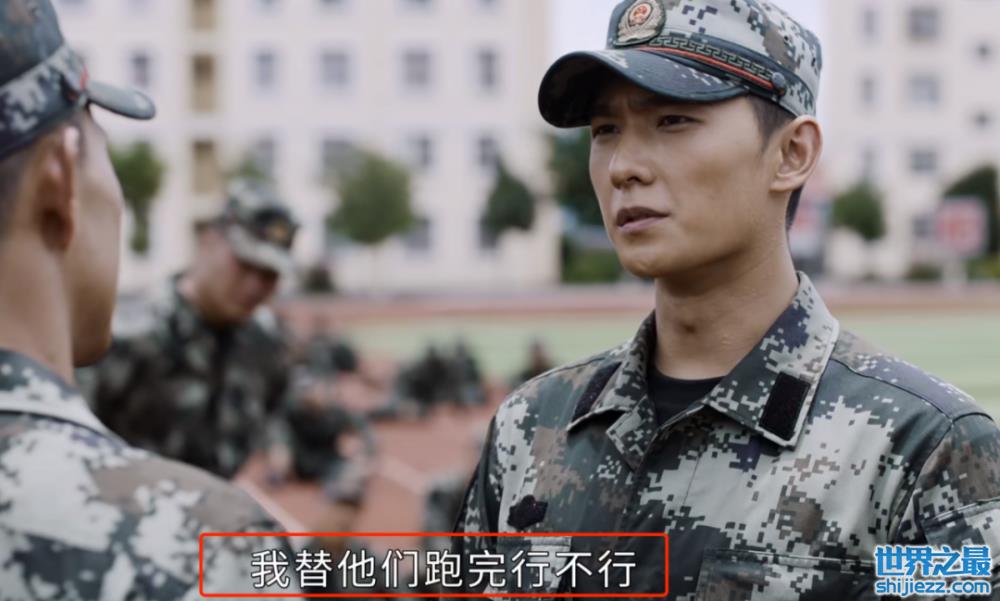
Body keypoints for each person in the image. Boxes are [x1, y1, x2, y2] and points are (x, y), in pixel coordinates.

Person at [454, 0, 1000, 598]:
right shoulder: (532, 426)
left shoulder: (922, 452)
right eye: (606, 130)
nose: (623, 167)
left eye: (673, 121)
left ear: (792, 154)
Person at [0, 0, 298, 596]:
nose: (255, 285)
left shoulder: (268, 345)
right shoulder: (212, 548)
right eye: (102, 145)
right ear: (61, 178)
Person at [81, 178, 300, 480]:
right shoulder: (129, 332)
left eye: (269, 274)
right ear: (209, 241)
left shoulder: (267, 345)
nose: (254, 285)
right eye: (244, 264)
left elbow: (273, 415)